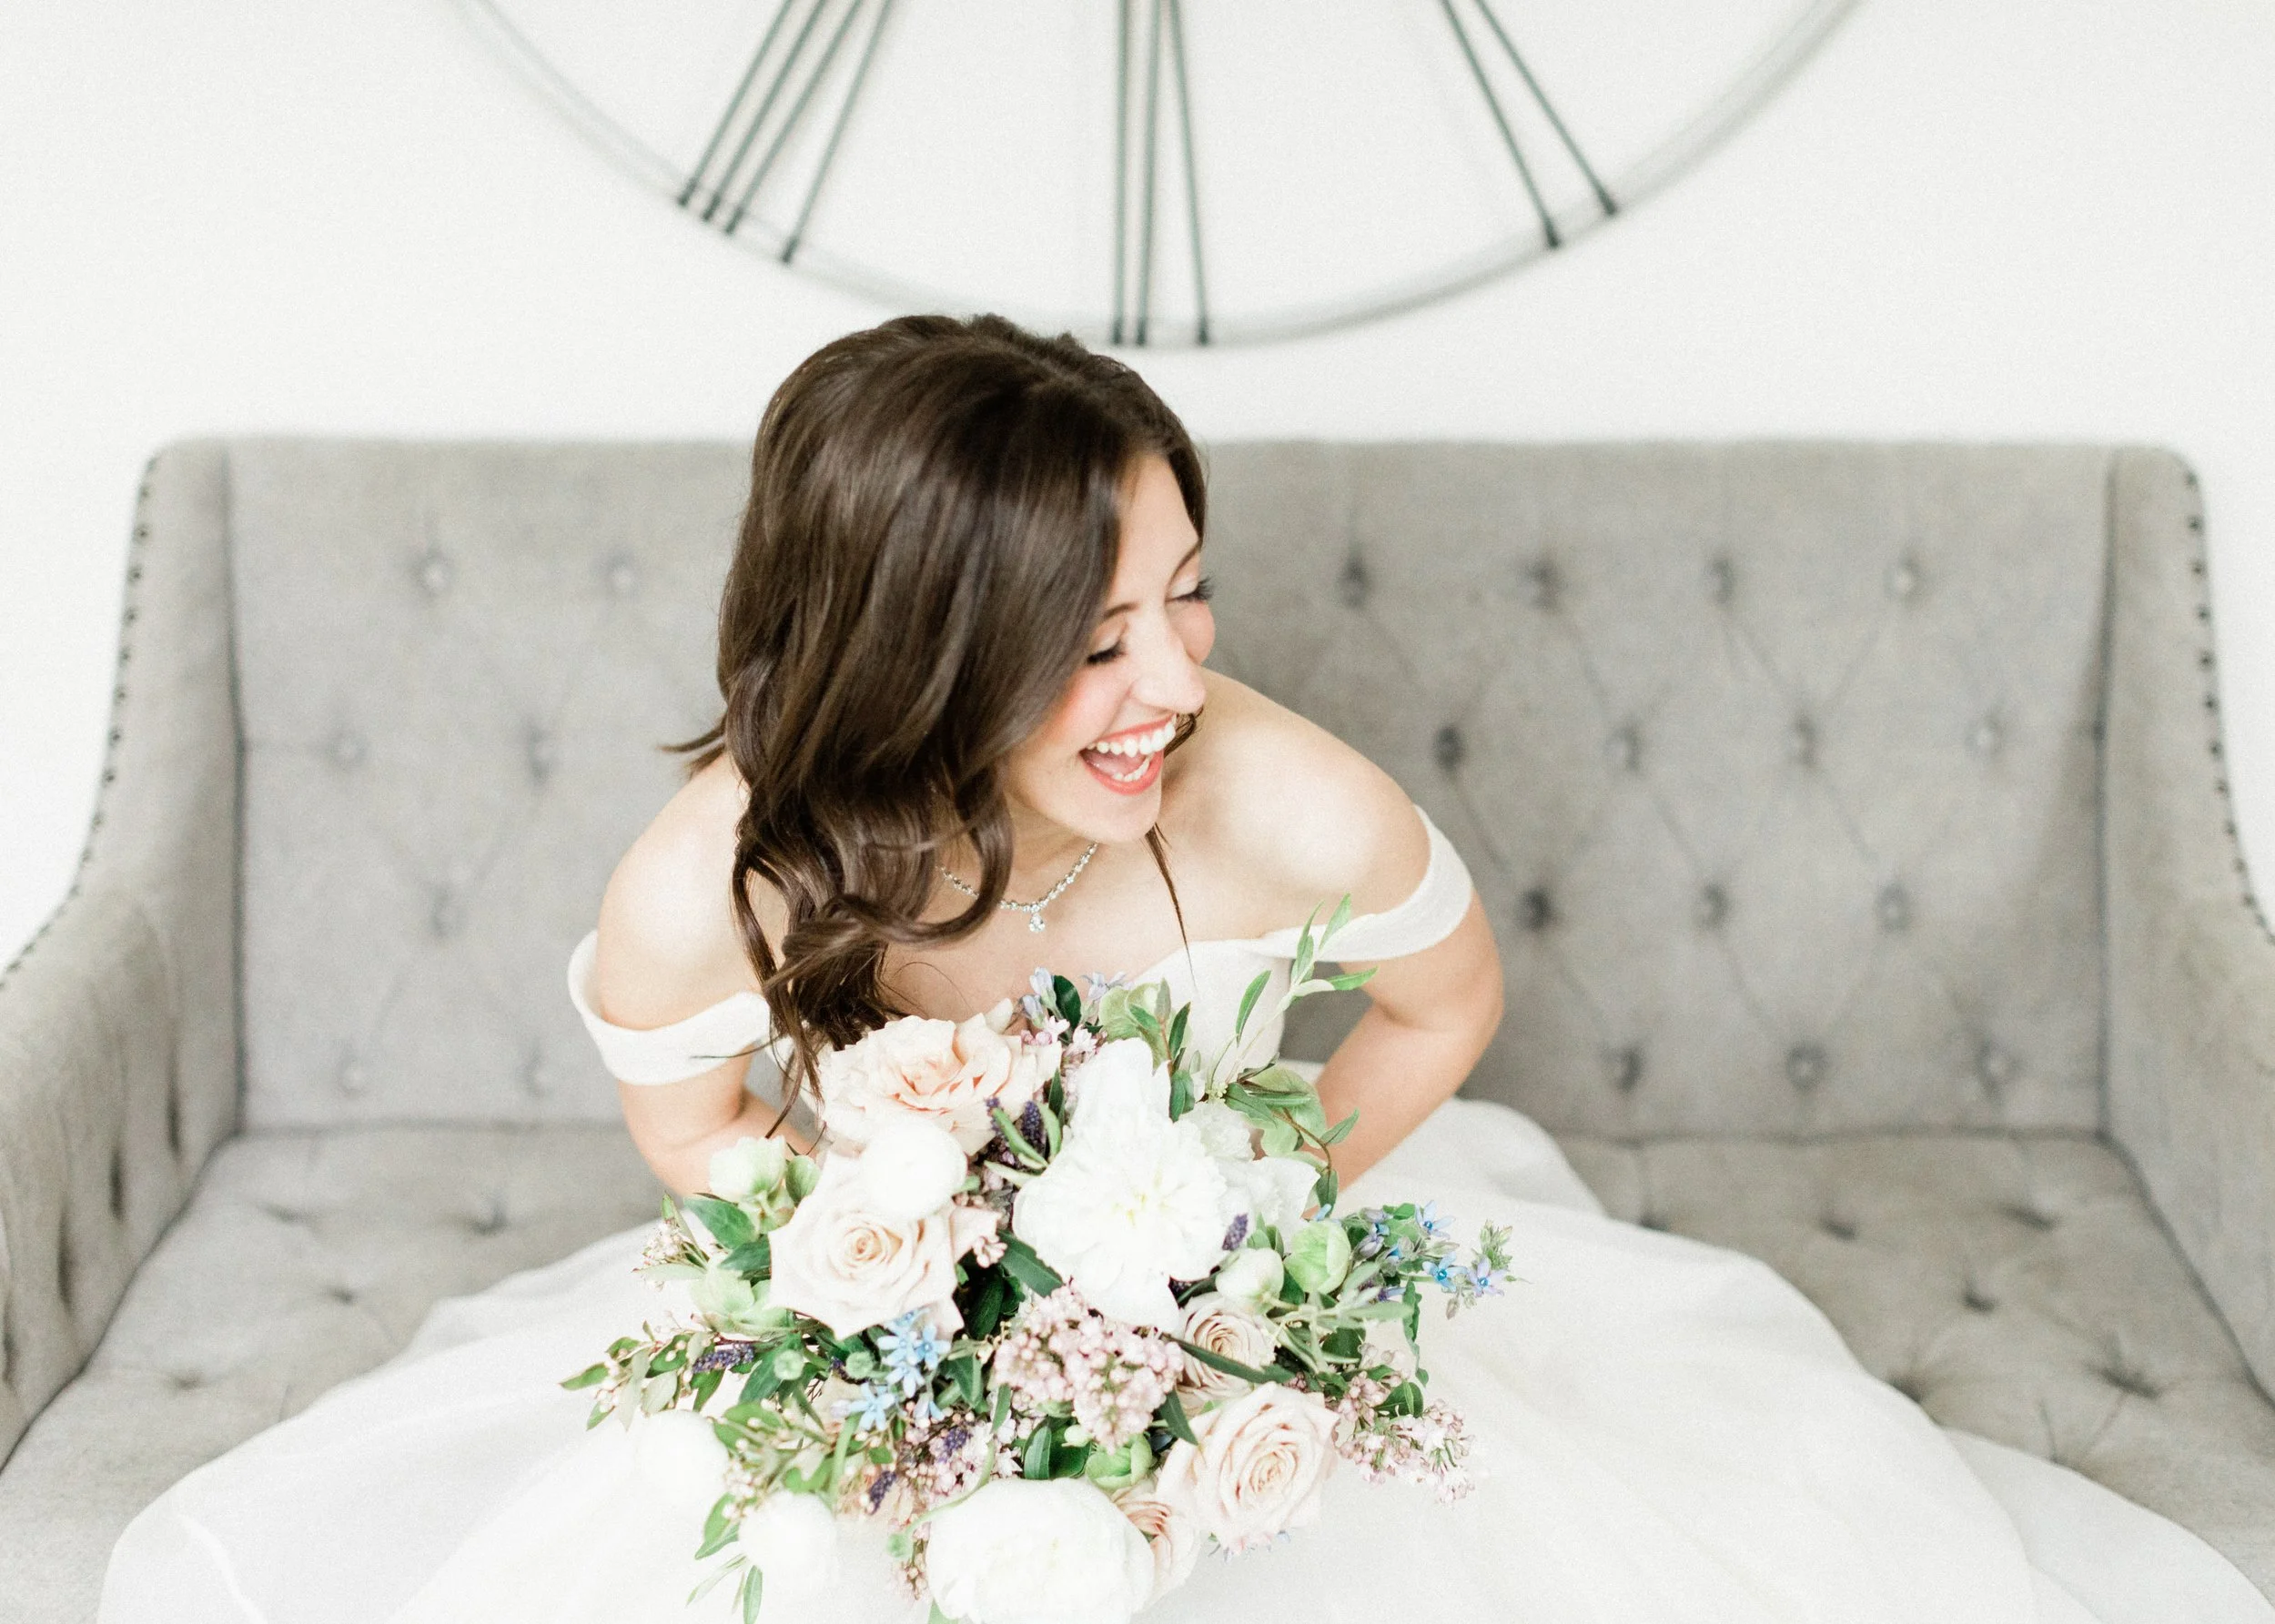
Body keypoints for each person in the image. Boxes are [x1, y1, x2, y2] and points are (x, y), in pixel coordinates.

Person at [100, 316, 2270, 1622]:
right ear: (918, 645)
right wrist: (894, 1294)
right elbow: (689, 1125)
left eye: (1187, 598)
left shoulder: (1286, 805)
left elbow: (1442, 1005)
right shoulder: (719, 879)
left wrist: (1237, 1252)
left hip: (1241, 1324)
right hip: (888, 1360)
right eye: (1092, 637)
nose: (1169, 682)